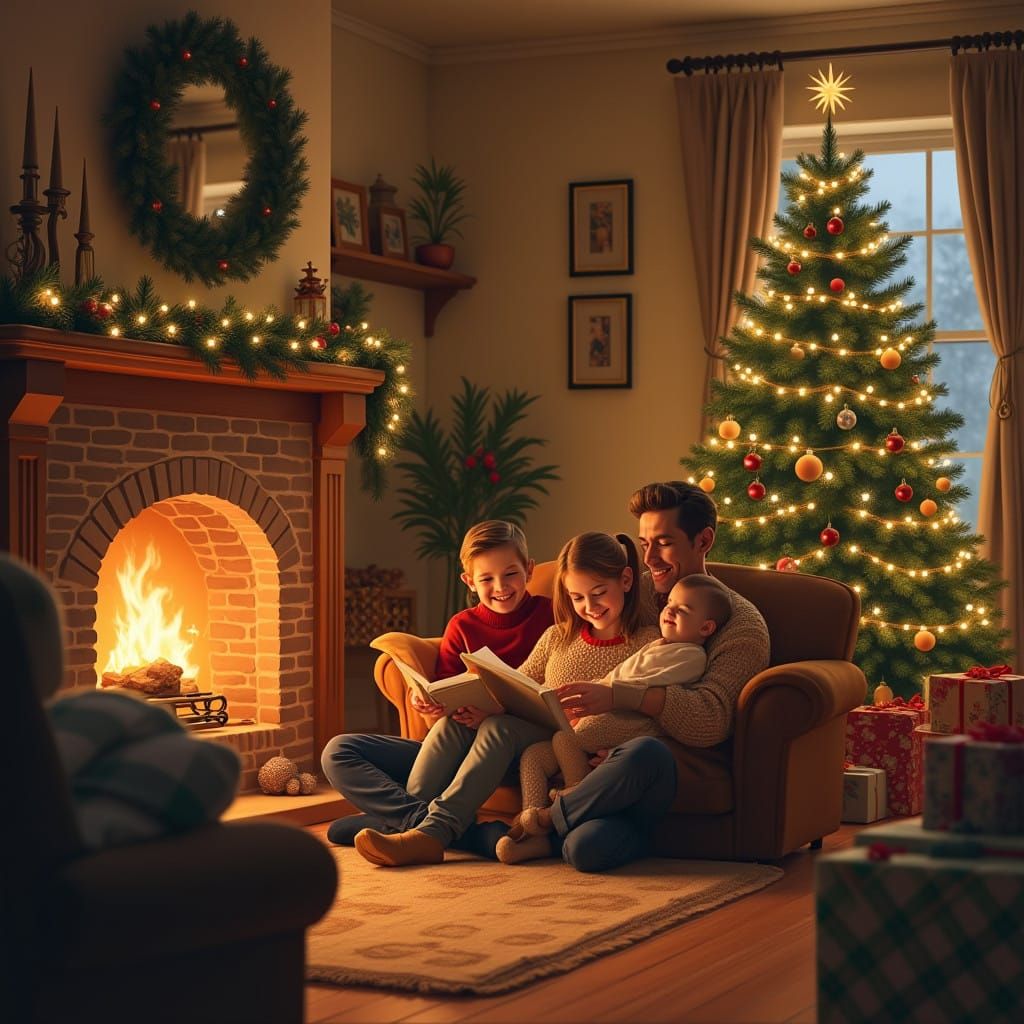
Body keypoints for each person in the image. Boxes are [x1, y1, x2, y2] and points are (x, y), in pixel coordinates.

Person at [495, 481, 771, 872]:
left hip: (660, 762)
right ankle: (554, 828)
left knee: (641, 758)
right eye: (644, 544)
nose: (651, 558)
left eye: (663, 543)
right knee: (583, 849)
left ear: (704, 540)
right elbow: (572, 632)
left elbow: (711, 720)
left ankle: (541, 823)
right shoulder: (628, 593)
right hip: (590, 753)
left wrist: (623, 703)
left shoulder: (740, 624)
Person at [352, 531, 660, 867]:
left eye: (599, 594)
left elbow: (655, 709)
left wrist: (617, 747)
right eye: (577, 598)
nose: (590, 607)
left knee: (499, 728)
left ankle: (429, 830)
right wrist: (484, 699)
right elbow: (517, 681)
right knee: (453, 728)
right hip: (544, 733)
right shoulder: (558, 636)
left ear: (627, 580)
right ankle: (420, 824)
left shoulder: (650, 642)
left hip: (573, 741)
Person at [320, 520, 552, 859]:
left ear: (529, 570)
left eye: (510, 574)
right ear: (469, 581)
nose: (500, 586)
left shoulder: (551, 616)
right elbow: (446, 691)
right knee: (338, 750)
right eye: (486, 578)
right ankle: (434, 827)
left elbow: (553, 692)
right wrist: (428, 702)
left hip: (511, 745)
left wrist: (498, 708)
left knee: (495, 726)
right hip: (455, 746)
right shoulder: (462, 625)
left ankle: (417, 829)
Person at [500, 573, 733, 862]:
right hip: (605, 726)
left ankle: (572, 793)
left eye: (682, 610)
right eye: (669, 604)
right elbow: (618, 675)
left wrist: (607, 695)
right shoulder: (655, 644)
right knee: (535, 755)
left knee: (581, 844)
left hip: (627, 727)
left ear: (706, 627)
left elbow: (643, 686)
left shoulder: (691, 656)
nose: (669, 610)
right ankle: (532, 831)